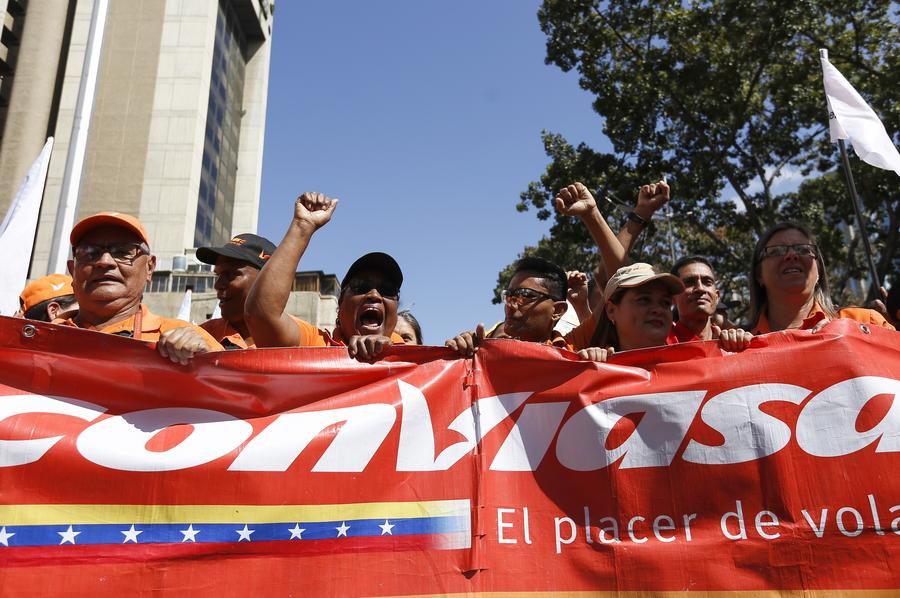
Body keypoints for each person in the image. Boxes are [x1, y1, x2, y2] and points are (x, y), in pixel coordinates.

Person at [244, 192, 405, 361]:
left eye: (387, 290)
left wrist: (390, 355)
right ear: (340, 306)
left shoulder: (413, 359)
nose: (374, 295)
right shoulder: (316, 345)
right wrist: (302, 226)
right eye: (361, 287)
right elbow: (261, 316)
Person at [58, 212, 222, 363]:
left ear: (149, 268)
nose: (105, 261)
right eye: (89, 252)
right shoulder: (42, 336)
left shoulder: (190, 341)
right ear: (72, 270)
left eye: (122, 252)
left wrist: (206, 364)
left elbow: (233, 390)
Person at [566, 263, 752, 361]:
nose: (657, 310)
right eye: (644, 300)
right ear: (611, 310)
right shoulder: (594, 368)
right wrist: (588, 369)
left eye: (664, 303)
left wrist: (736, 352)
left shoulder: (696, 360)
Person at [748, 222, 895, 333]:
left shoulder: (867, 323)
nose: (792, 255)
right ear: (759, 275)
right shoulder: (736, 345)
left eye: (803, 249)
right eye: (776, 251)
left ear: (819, 270)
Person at [196, 233, 277, 349]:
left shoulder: (306, 339)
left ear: (267, 280)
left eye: (232, 274)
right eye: (218, 275)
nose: (218, 285)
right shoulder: (201, 335)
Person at [670, 256, 721, 342]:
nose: (700, 288)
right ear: (673, 298)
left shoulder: (734, 347)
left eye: (707, 282)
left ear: (717, 297)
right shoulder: (658, 346)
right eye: (689, 282)